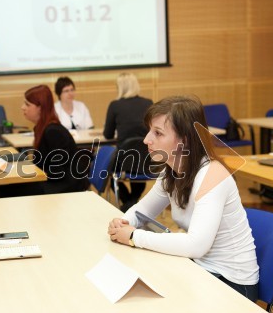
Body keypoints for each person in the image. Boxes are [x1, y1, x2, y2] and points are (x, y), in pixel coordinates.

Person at [107, 95, 259, 301]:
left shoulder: (212, 174)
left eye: (158, 133)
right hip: (200, 268)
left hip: (232, 283)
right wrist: (125, 222)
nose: (146, 139)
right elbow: (142, 211)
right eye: (150, 130)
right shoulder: (171, 170)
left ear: (185, 140)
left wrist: (134, 237)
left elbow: (196, 245)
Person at [0, 85, 89, 197]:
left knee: (3, 189)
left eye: (27, 104)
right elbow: (41, 165)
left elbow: (57, 172)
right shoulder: (42, 128)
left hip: (64, 186)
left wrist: (25, 173)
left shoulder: (53, 132)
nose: (23, 107)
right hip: (52, 182)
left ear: (40, 107)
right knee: (5, 185)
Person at [103, 73, 153, 212]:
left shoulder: (115, 105)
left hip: (124, 159)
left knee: (108, 172)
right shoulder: (148, 103)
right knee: (139, 171)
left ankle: (127, 205)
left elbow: (107, 134)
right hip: (147, 159)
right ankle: (132, 204)